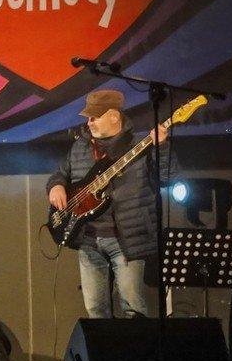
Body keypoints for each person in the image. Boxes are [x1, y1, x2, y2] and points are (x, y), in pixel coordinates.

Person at [46, 88, 171, 319]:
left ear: (114, 116)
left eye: (95, 117)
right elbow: (60, 174)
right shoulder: (81, 146)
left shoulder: (139, 144)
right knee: (95, 310)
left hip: (126, 239)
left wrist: (161, 147)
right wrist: (56, 186)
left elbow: (166, 178)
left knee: (133, 308)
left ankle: (136, 355)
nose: (90, 122)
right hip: (88, 238)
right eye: (89, 118)